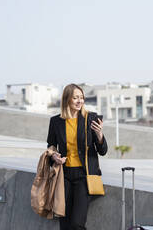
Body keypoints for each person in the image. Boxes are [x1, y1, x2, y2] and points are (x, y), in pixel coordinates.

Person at [47, 83, 108, 230]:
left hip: (84, 176)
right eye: (75, 98)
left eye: (81, 98)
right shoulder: (56, 121)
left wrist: (100, 135)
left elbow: (103, 150)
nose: (79, 101)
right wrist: (54, 156)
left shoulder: (90, 118)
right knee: (65, 223)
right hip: (64, 175)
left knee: (77, 224)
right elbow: (51, 147)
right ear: (67, 99)